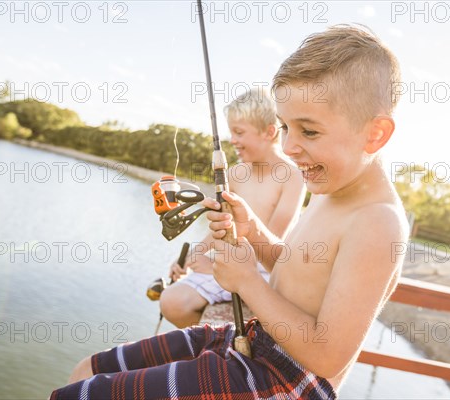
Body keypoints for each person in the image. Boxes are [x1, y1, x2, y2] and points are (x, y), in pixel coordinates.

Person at [51, 24, 408, 399]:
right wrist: (253, 232)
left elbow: (327, 354)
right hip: (256, 341)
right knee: (86, 371)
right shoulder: (330, 189)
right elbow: (295, 269)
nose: (288, 146)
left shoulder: (377, 222)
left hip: (287, 379)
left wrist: (247, 283)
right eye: (286, 127)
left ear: (375, 134)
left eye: (309, 132)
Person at [160, 88, 306, 328]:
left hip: (268, 272)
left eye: (239, 132)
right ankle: (212, 340)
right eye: (231, 132)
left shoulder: (292, 176)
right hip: (229, 262)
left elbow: (275, 239)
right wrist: (193, 256)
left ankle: (223, 343)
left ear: (269, 132)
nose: (232, 140)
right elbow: (222, 226)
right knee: (171, 301)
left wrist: (216, 265)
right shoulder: (235, 173)